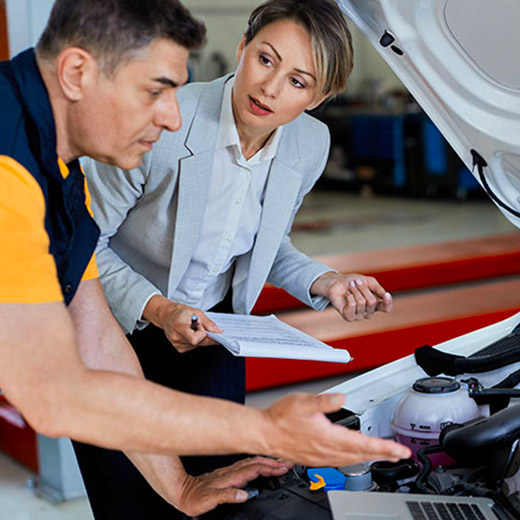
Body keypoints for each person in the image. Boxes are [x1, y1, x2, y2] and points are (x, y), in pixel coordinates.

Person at [0, 0, 410, 518]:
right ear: (77, 72)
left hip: (205, 333)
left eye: (176, 90)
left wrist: (180, 487)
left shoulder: (60, 175)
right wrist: (265, 430)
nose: (173, 117)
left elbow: (95, 341)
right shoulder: (10, 172)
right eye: (156, 91)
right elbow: (56, 391)